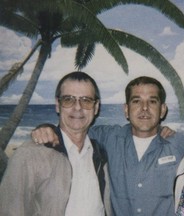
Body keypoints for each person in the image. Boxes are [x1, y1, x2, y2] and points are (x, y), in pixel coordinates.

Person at [31, 76, 184, 216]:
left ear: (163, 110)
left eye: (152, 101)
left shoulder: (179, 141)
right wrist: (45, 127)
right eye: (137, 101)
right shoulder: (107, 137)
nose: (145, 108)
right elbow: (73, 127)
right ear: (126, 110)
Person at [0, 72, 110, 216]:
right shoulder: (28, 155)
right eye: (68, 99)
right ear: (58, 105)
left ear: (96, 108)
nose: (77, 107)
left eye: (86, 100)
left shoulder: (100, 155)